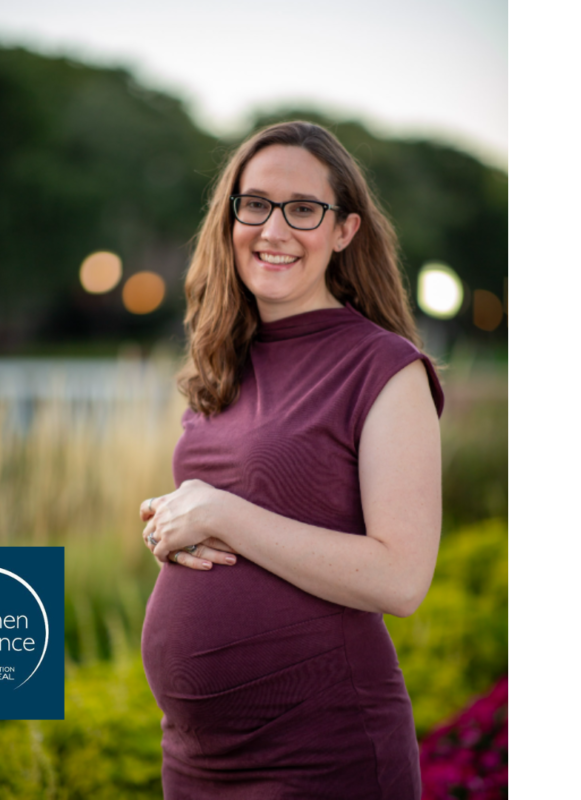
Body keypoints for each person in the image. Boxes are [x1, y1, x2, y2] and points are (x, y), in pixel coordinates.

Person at [139, 120, 444, 799]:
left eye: (303, 210)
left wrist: (222, 512)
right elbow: (249, 511)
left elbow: (402, 579)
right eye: (254, 204)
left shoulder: (385, 369)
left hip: (322, 756)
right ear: (230, 217)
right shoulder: (225, 358)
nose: (273, 230)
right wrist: (174, 526)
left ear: (344, 230)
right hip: (195, 764)